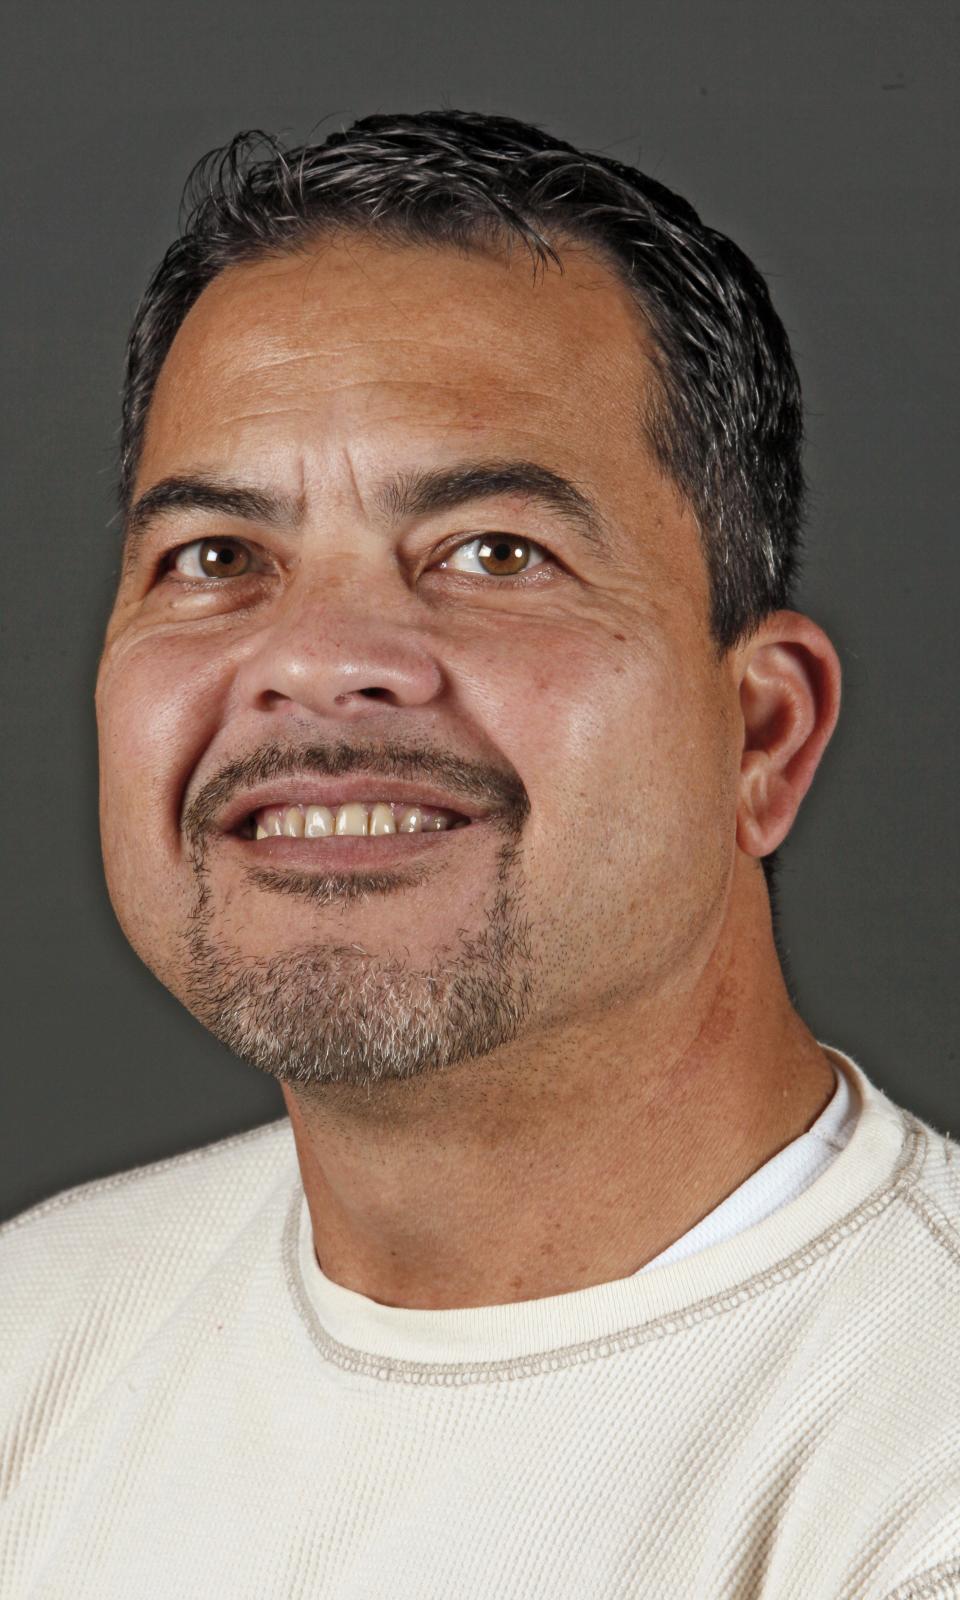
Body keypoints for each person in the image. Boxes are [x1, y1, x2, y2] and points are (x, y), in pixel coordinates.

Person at [2, 109, 957, 1600]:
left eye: (494, 553)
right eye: (216, 559)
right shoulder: (40, 1331)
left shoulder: (914, 1470)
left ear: (761, 735)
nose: (315, 661)